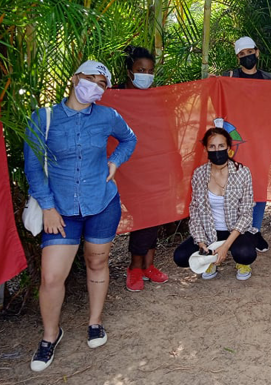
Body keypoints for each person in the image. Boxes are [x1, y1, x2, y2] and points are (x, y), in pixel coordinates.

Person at [25, 61, 137, 372]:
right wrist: (47, 206)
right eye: (91, 79)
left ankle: (95, 322)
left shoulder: (107, 116)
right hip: (59, 211)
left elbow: (129, 139)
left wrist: (114, 162)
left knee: (97, 262)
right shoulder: (44, 117)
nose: (96, 86)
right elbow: (33, 167)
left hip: (102, 203)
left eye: (102, 83)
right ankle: (50, 336)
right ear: (75, 78)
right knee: (51, 277)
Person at [113, 46, 169, 292]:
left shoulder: (155, 96)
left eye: (150, 71)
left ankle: (147, 266)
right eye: (140, 70)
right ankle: (135, 268)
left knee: (153, 216)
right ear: (129, 71)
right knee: (140, 217)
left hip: (153, 166)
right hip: (124, 169)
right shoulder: (113, 95)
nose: (146, 74)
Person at [173, 127, 258, 281]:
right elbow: (195, 211)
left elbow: (246, 214)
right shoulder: (199, 174)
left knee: (246, 254)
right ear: (206, 149)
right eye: (212, 146)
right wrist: (201, 242)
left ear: (228, 148)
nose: (217, 150)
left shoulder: (243, 172)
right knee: (180, 257)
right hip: (209, 231)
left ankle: (241, 262)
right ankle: (210, 260)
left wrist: (225, 247)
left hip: (235, 231)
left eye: (221, 146)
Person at [222, 36, 271, 252]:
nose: (247, 57)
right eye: (242, 54)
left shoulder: (269, 79)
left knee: (259, 186)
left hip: (263, 141)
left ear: (257, 52)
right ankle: (235, 233)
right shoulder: (228, 78)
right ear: (237, 58)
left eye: (249, 52)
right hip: (237, 141)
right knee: (236, 187)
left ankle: (255, 230)